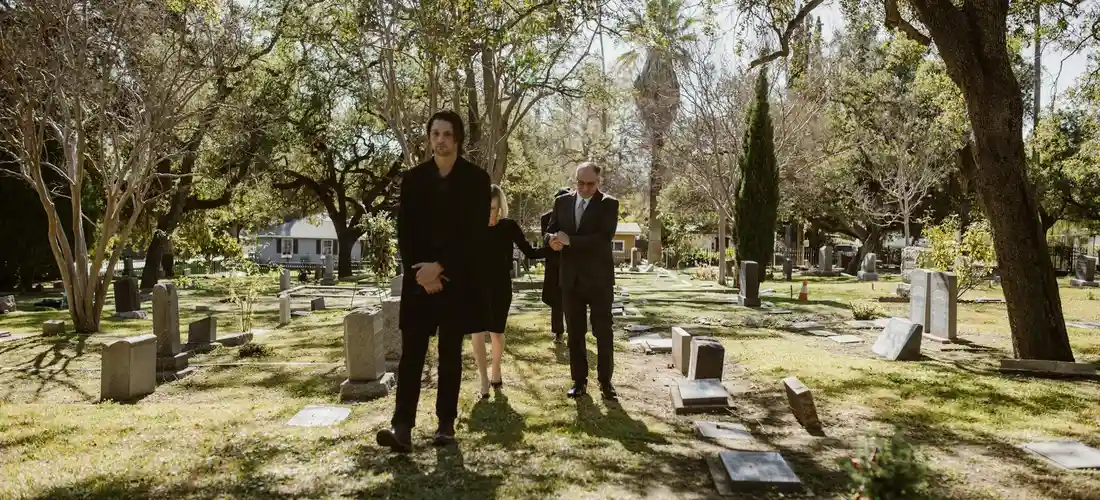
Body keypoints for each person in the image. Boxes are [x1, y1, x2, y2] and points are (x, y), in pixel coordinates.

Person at [376, 110, 491, 452]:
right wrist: (421, 274)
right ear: (429, 138)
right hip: (418, 283)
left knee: (449, 354)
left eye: (447, 134)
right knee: (411, 355)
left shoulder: (476, 180)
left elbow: (474, 236)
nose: (440, 140)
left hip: (456, 281)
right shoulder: (413, 180)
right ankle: (402, 428)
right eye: (435, 133)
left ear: (457, 140)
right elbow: (405, 234)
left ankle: (445, 425)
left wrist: (440, 268)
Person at [545, 163, 619, 399]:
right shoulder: (562, 202)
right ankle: (579, 381)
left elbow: (603, 238)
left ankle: (606, 382)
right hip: (570, 279)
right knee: (575, 333)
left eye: (591, 184)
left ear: (599, 182)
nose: (585, 188)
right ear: (575, 180)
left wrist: (570, 242)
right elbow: (549, 230)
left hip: (599, 281)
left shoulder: (609, 204)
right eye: (581, 183)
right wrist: (552, 240)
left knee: (603, 332)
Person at [472, 185, 544, 398]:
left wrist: (552, 247)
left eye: (493, 208)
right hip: (475, 287)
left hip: (500, 287)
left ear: (500, 207)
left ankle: (496, 368)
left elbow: (530, 252)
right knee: (477, 332)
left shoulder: (509, 226)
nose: (490, 214)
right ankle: (483, 379)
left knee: (496, 333)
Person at [540, 187, 572, 343]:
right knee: (556, 301)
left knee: (573, 299)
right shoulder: (546, 218)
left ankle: (574, 332)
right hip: (554, 264)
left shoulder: (575, 217)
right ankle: (558, 332)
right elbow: (545, 238)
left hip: (571, 263)